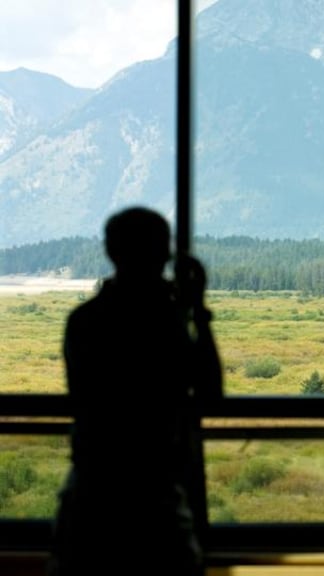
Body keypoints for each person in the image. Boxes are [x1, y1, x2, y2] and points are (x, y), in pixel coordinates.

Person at [50, 207, 223, 576]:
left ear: (111, 252)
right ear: (165, 254)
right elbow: (211, 393)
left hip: (92, 493)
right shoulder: (167, 326)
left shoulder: (84, 321)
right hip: (155, 493)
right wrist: (197, 312)